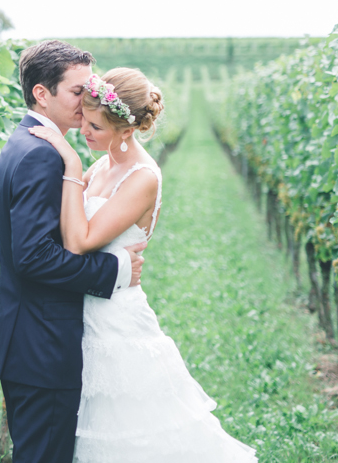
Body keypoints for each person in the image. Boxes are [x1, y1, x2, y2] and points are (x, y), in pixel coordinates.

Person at [29, 67, 258, 463]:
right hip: (82, 312)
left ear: (127, 131)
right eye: (84, 116)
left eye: (96, 126)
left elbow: (79, 241)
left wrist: (69, 163)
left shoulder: (142, 178)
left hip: (116, 321)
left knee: (131, 433)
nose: (84, 130)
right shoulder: (103, 166)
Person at [0, 41, 146, 463]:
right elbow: (34, 256)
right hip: (42, 347)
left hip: (29, 342)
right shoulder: (42, 155)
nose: (87, 100)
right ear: (42, 93)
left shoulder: (30, 143)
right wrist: (113, 269)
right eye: (77, 91)